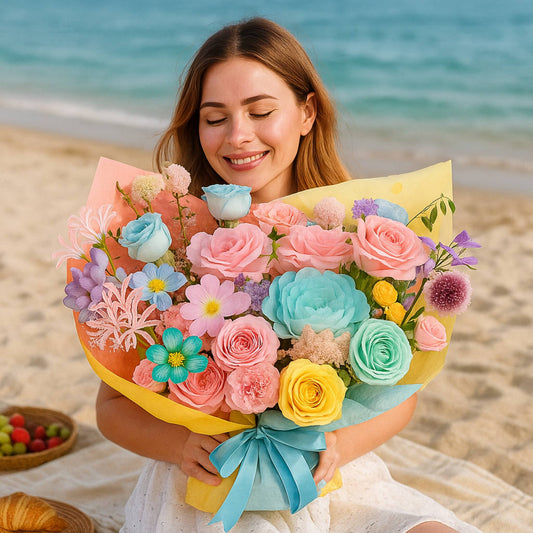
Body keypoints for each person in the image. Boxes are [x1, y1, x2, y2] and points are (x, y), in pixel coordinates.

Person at [96, 17, 481, 533]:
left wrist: (339, 445)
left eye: (260, 112)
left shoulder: (358, 240)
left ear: (306, 112)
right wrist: (181, 444)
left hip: (329, 471)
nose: (238, 136)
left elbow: (401, 394)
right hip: (209, 480)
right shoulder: (165, 247)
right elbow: (112, 407)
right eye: (215, 118)